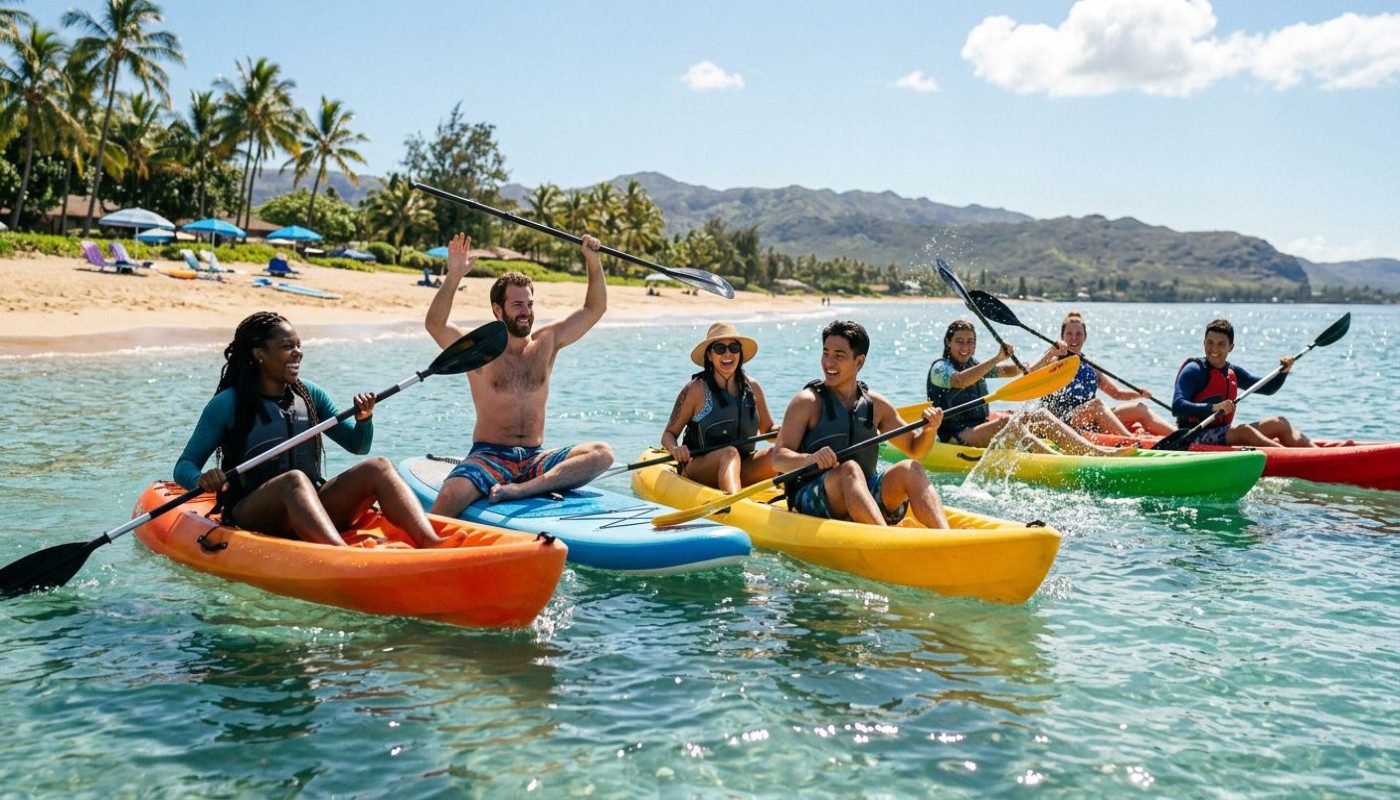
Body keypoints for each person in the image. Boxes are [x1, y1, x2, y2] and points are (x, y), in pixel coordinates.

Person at [175, 311, 449, 547]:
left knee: (378, 466)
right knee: (293, 480)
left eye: (298, 345)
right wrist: (202, 479)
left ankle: (431, 542)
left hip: (311, 504)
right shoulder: (228, 404)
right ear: (259, 354)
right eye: (286, 346)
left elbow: (357, 446)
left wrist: (365, 419)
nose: (298, 353)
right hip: (252, 510)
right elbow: (184, 466)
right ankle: (341, 556)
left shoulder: (309, 395)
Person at [424, 233, 615, 514]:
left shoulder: (547, 342)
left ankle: (522, 489)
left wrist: (593, 260)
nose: (526, 312)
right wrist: (454, 276)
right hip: (489, 455)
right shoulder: (479, 349)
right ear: (497, 310)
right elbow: (435, 325)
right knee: (451, 494)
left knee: (602, 454)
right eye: (517, 305)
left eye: (530, 304)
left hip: (535, 458)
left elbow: (594, 308)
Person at [771, 320, 949, 529]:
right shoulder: (807, 402)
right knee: (850, 469)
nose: (829, 362)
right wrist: (809, 459)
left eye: (839, 355)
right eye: (826, 353)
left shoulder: (877, 405)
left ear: (859, 361)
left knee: (911, 468)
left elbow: (915, 449)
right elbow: (778, 458)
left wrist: (930, 430)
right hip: (815, 499)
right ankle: (885, 540)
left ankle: (948, 538)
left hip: (864, 494)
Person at [926, 320, 1136, 456]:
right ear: (948, 342)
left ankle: (1093, 452)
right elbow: (960, 380)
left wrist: (1050, 355)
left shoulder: (975, 366)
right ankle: (1058, 460)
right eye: (959, 342)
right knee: (1007, 422)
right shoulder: (940, 369)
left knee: (1041, 415)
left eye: (970, 342)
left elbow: (1020, 373)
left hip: (979, 427)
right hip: (956, 435)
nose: (965, 347)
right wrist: (996, 358)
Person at [661, 322, 779, 493]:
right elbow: (668, 434)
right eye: (719, 349)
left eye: (733, 347)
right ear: (709, 355)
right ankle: (733, 505)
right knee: (729, 453)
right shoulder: (696, 389)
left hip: (741, 466)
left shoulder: (753, 388)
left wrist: (785, 432)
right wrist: (675, 449)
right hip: (699, 468)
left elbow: (768, 429)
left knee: (779, 454)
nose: (728, 354)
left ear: (740, 353)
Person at [1171, 318, 1315, 447]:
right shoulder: (1193, 370)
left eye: (1221, 344)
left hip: (1222, 433)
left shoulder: (1232, 372)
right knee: (1244, 431)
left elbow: (1268, 388)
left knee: (1279, 422)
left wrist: (1284, 371)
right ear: (1204, 343)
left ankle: (1319, 454)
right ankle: (1291, 459)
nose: (1214, 349)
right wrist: (1215, 407)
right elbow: (1177, 406)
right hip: (1193, 436)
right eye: (1210, 343)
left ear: (1231, 347)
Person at [1038, 311, 1175, 436]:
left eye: (1079, 334)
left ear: (1085, 337)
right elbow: (1030, 374)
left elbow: (1116, 393)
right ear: (1062, 337)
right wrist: (1050, 354)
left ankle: (1183, 436)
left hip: (1091, 417)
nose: (1074, 338)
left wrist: (1139, 394)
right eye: (1069, 334)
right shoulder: (1053, 360)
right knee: (1097, 405)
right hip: (1063, 420)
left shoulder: (1090, 365)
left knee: (1139, 408)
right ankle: (1131, 441)